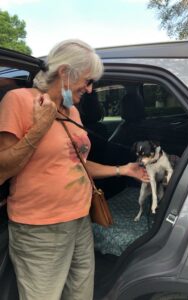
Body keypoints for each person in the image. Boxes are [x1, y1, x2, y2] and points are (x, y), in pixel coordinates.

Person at [0, 39, 148, 300]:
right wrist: (39, 129)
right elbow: (4, 168)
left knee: (80, 294)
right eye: (88, 82)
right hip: (40, 228)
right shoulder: (18, 101)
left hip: (80, 219)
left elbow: (76, 164)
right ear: (66, 73)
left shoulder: (72, 111)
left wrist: (122, 170)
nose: (91, 90)